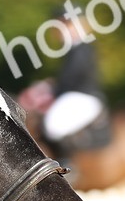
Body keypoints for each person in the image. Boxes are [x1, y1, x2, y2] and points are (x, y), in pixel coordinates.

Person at [41, 9, 109, 156]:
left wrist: (54, 89)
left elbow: (71, 78)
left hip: (82, 96)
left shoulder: (82, 47)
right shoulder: (74, 48)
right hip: (75, 96)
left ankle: (66, 164)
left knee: (51, 126)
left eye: (67, 25)